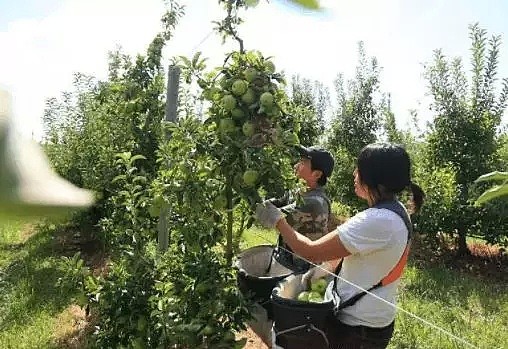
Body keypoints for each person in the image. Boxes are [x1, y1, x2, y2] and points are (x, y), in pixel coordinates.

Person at [256, 142, 425, 348]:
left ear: (373, 178)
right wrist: (325, 270)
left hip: (359, 327)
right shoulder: (394, 211)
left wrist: (277, 220)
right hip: (371, 318)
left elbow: (309, 250)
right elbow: (349, 250)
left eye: (359, 169)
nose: (355, 174)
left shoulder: (378, 219)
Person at [246, 144, 335, 346]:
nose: (297, 164)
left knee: (287, 328)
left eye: (304, 162)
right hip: (289, 264)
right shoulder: (300, 192)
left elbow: (271, 216)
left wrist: (249, 190)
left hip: (300, 272)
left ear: (317, 173)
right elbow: (276, 202)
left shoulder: (313, 203)